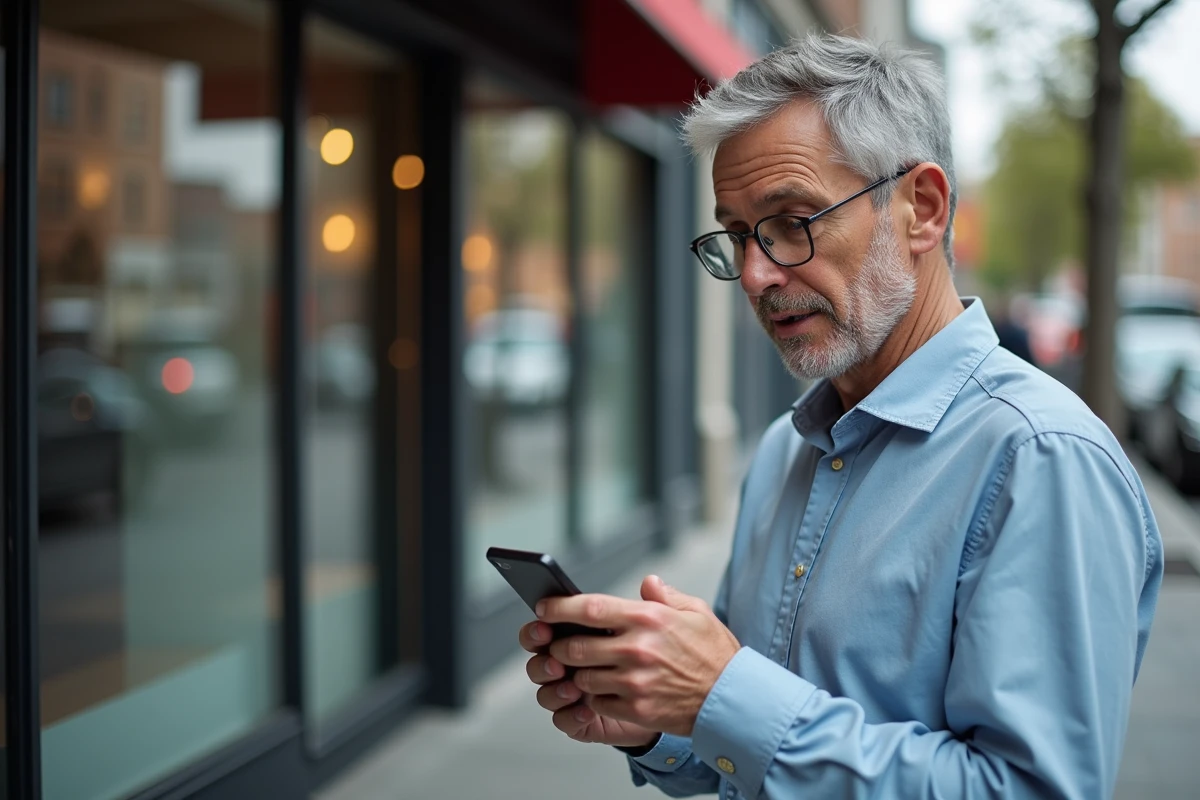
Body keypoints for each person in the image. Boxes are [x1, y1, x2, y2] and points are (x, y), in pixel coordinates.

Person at [518, 33, 1162, 799]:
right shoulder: (781, 451)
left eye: (793, 221)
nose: (756, 274)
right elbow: (741, 746)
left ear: (921, 209)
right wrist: (660, 722)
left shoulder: (1041, 459)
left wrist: (721, 696)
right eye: (735, 234)